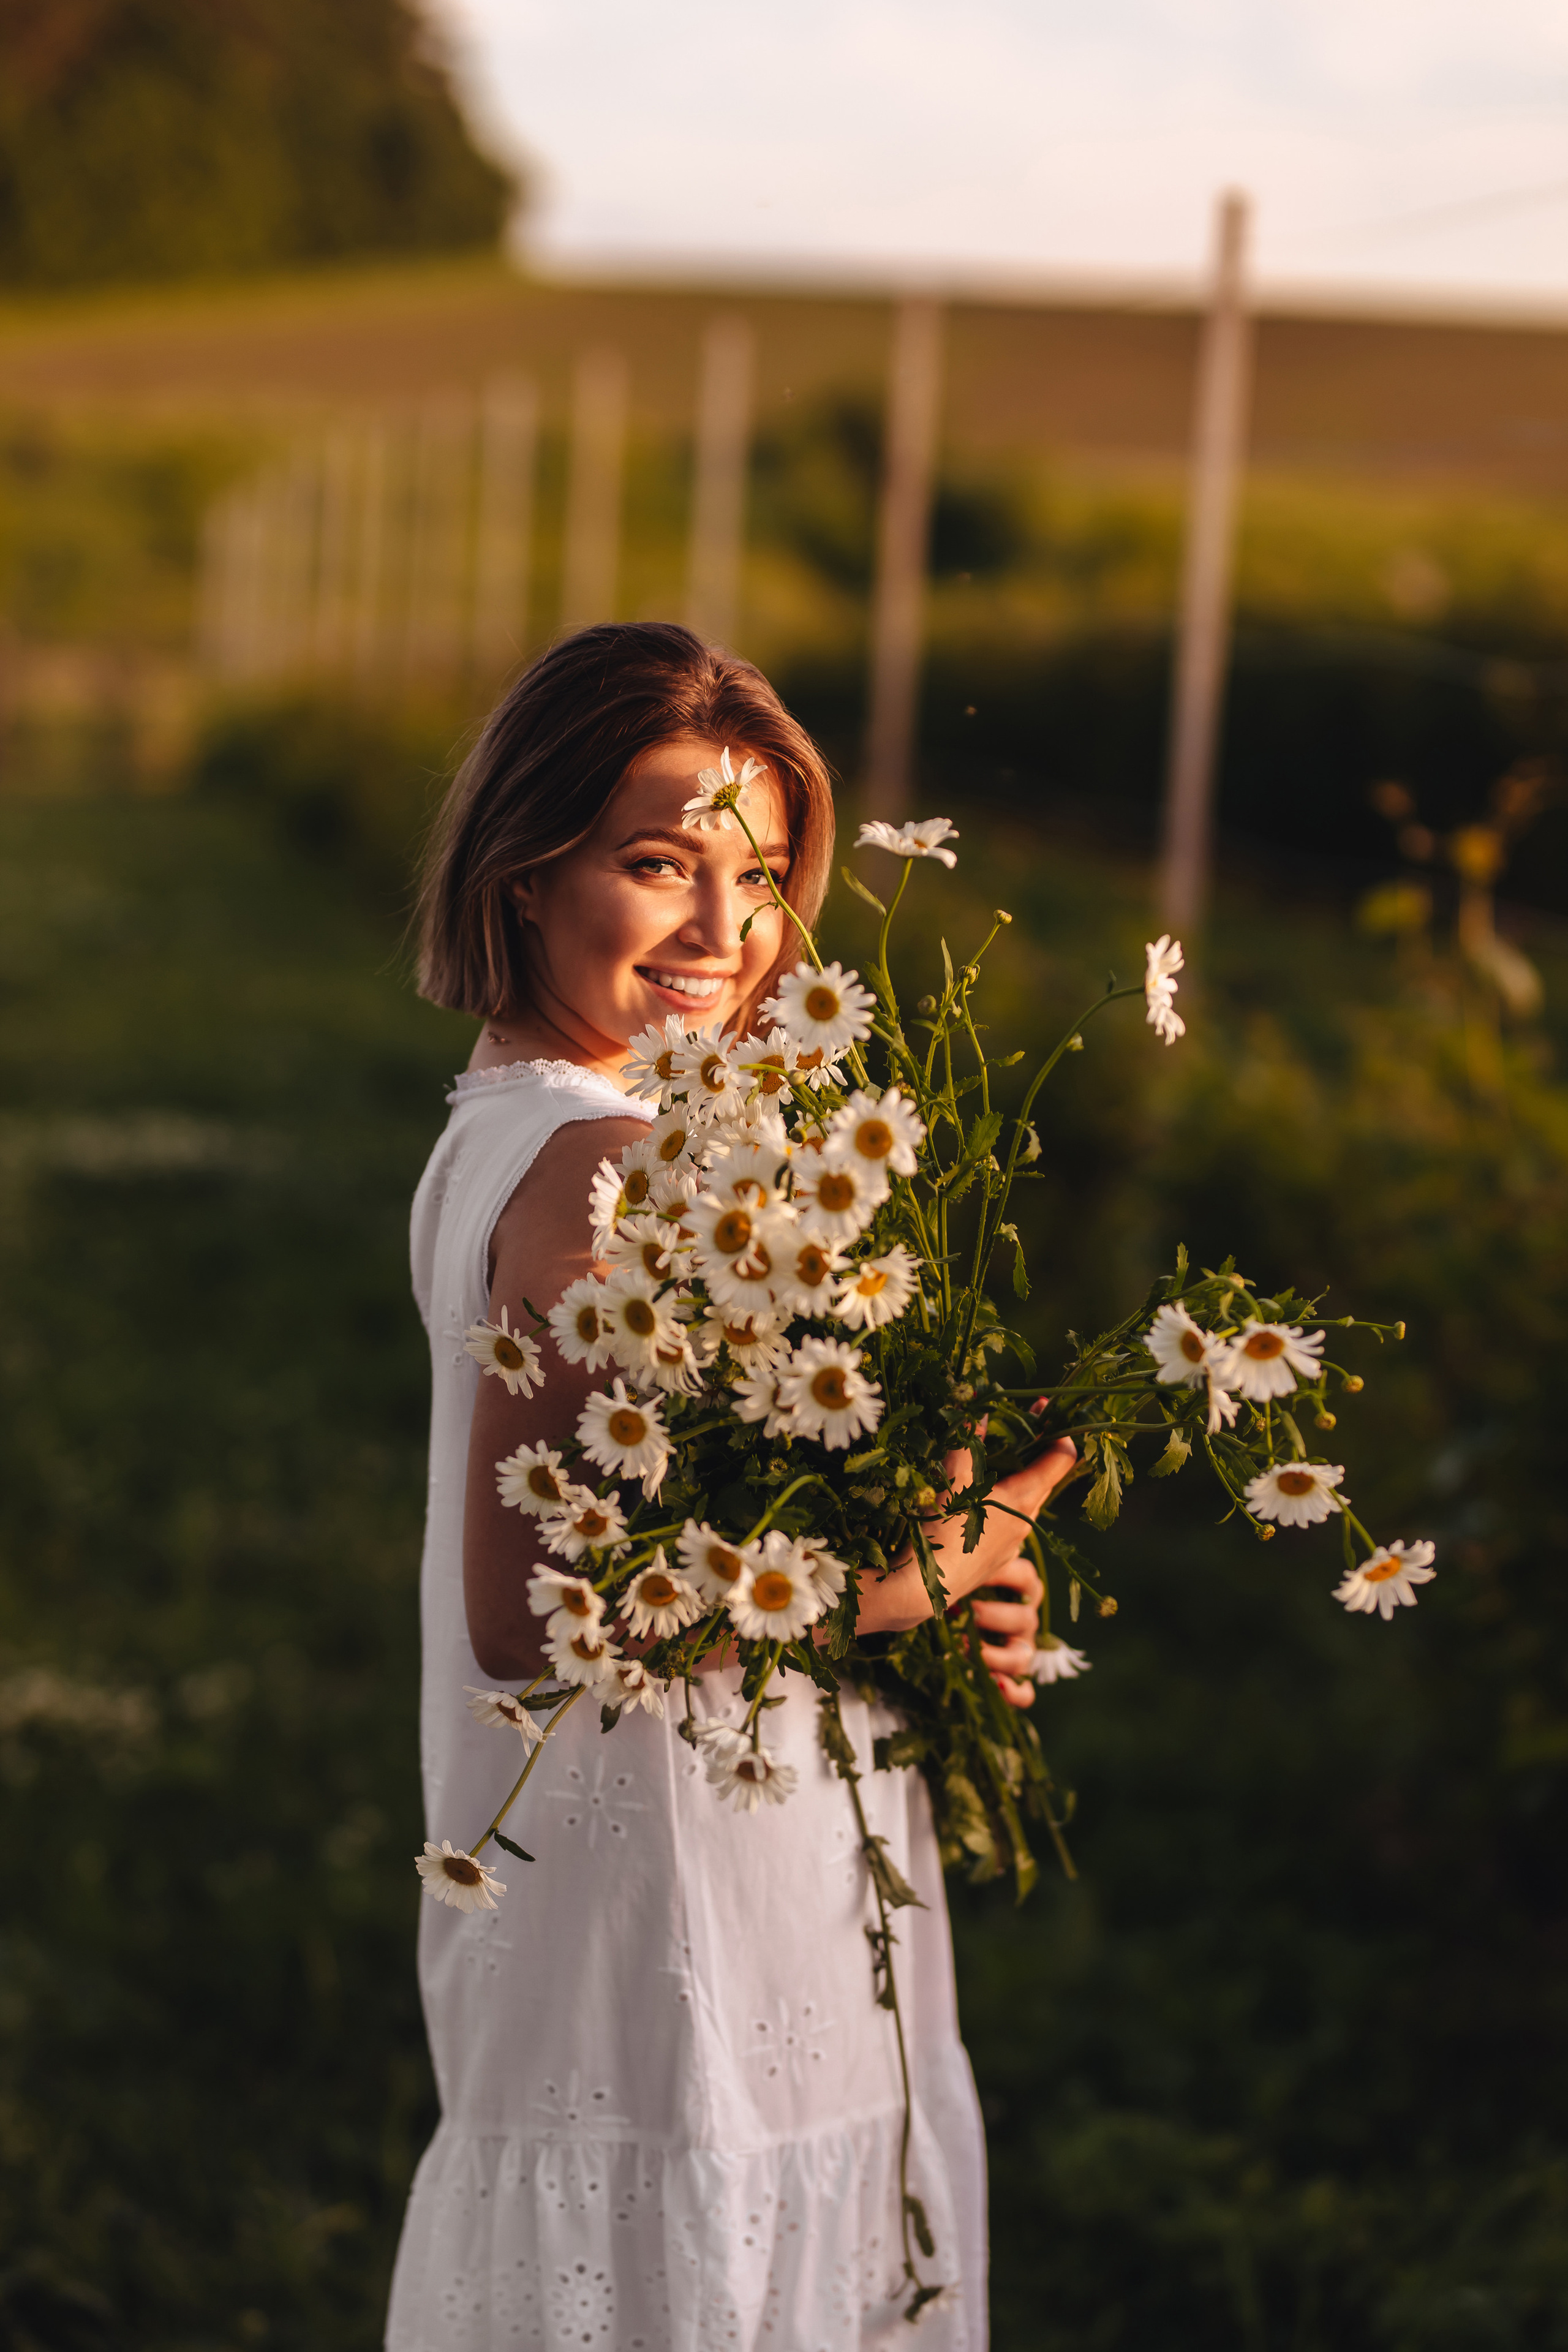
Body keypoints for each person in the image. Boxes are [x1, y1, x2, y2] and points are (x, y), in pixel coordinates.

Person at [386, 624, 1076, 2351]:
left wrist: (934, 1599)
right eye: (656, 866)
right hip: (664, 1902)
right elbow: (534, 1612)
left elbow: (745, 1511)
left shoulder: (562, 1126)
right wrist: (923, 1572)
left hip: (745, 1837)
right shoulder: (597, 1163)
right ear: (525, 871)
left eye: (760, 876)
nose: (723, 933)